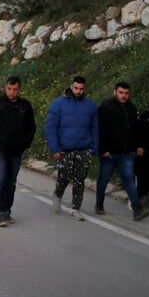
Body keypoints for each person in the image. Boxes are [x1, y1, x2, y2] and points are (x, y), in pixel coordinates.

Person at [0, 76, 36, 227]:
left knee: (11, 182)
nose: (12, 92)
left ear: (19, 89)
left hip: (16, 150)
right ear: (5, 88)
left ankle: (7, 211)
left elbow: (31, 128)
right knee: (1, 178)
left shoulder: (25, 106)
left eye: (15, 89)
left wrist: (25, 145)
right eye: (9, 89)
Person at [45, 76, 99, 221]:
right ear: (71, 86)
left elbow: (95, 128)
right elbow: (51, 128)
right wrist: (55, 148)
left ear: (84, 89)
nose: (78, 91)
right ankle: (58, 194)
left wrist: (94, 147)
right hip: (65, 149)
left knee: (80, 180)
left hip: (84, 148)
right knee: (64, 177)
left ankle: (76, 209)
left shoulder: (90, 106)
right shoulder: (58, 104)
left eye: (81, 89)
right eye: (76, 88)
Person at [96, 82, 149, 221]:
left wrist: (137, 146)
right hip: (109, 153)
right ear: (115, 92)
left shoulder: (131, 108)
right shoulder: (106, 107)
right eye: (121, 92)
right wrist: (103, 149)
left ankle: (137, 210)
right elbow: (100, 130)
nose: (124, 96)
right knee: (103, 180)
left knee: (129, 181)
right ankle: (99, 204)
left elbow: (134, 130)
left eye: (126, 93)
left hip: (126, 153)